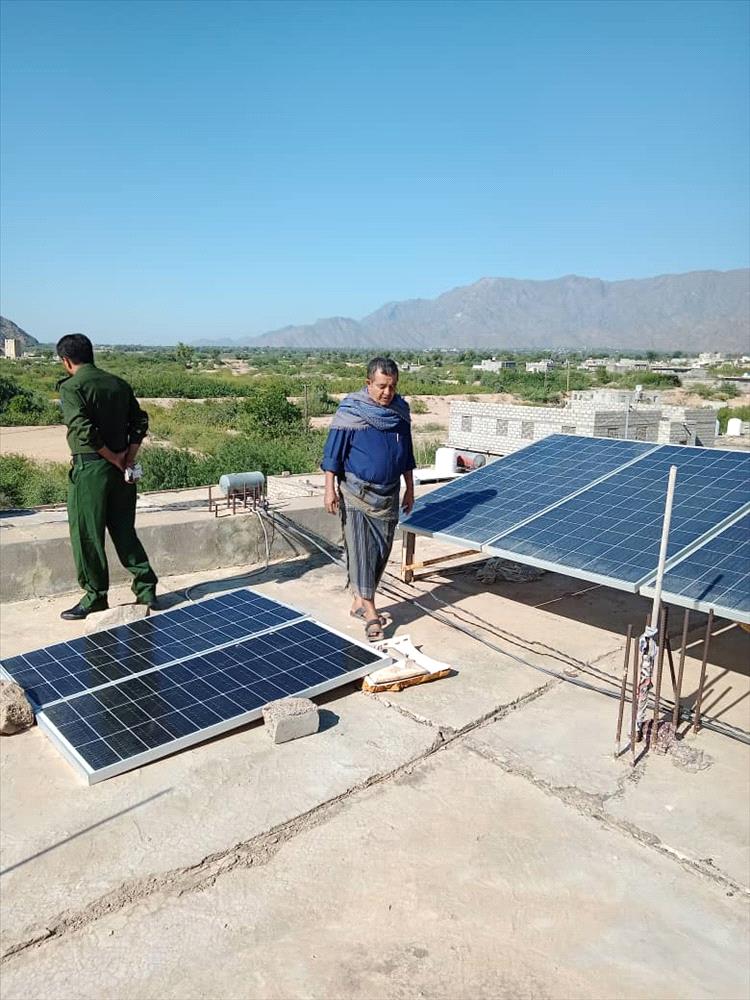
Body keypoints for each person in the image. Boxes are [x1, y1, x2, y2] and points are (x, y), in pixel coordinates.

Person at [56, 334, 158, 620]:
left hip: (91, 470)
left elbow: (83, 430)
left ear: (66, 361)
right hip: (122, 469)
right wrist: (128, 457)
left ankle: (95, 596)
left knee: (88, 534)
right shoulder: (118, 383)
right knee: (124, 530)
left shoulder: (72, 388)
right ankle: (146, 589)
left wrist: (113, 457)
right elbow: (140, 421)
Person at [321, 357, 415, 642]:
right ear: (368, 383)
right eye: (382, 386)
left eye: (392, 386)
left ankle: (358, 602)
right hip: (356, 493)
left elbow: (407, 455)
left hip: (388, 495)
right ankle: (372, 612)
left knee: (381, 552)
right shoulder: (351, 411)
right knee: (362, 551)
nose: (387, 393)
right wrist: (329, 489)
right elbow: (332, 454)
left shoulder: (400, 411)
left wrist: (409, 488)